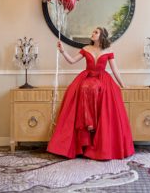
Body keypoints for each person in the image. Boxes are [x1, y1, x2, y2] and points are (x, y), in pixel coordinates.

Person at [47, 27, 135, 160]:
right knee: (84, 87)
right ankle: (87, 127)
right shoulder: (86, 48)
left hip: (102, 79)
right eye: (93, 32)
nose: (92, 34)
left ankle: (95, 133)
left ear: (102, 35)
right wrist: (63, 51)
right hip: (87, 78)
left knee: (97, 90)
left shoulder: (108, 50)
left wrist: (123, 85)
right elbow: (71, 61)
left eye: (96, 32)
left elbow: (114, 69)